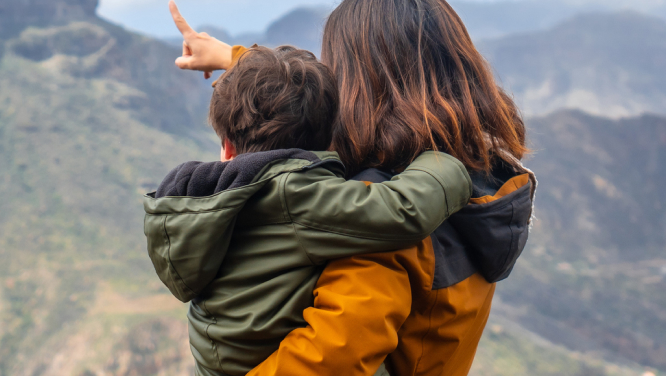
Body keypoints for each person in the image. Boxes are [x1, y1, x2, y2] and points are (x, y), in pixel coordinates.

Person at [170, 0, 536, 376]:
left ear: (355, 87)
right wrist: (233, 57)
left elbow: (322, 364)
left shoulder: (380, 219)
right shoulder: (473, 170)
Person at [144, 43, 473, 375]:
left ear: (227, 148)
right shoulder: (297, 196)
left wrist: (232, 58)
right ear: (329, 140)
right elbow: (405, 210)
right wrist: (444, 159)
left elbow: (267, 98)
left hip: (217, 360)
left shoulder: (201, 202)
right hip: (267, 362)